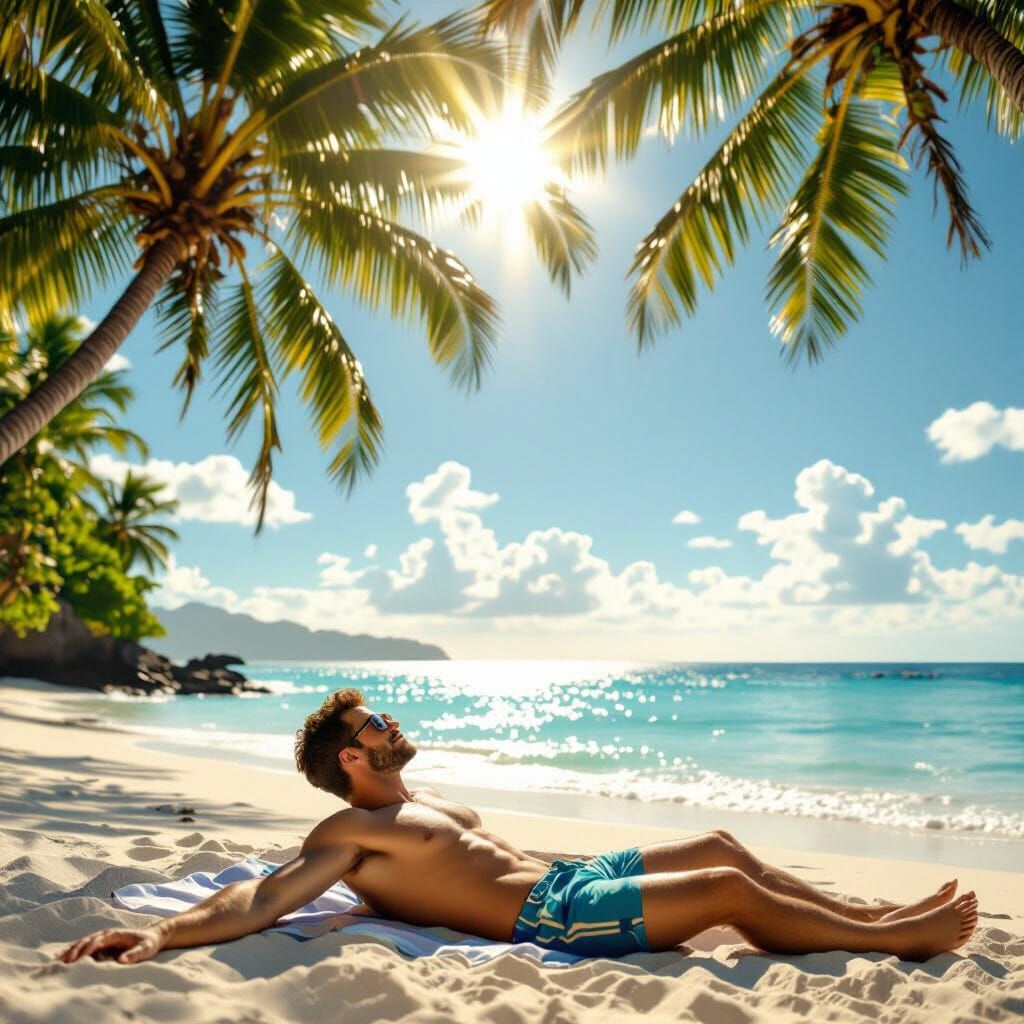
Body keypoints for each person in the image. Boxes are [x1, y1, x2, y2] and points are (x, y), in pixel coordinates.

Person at [58, 688, 977, 966]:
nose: (388, 727)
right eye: (372, 726)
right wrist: (167, 930)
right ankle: (891, 938)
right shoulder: (345, 836)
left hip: (566, 874)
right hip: (546, 916)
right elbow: (260, 899)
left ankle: (876, 911)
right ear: (349, 758)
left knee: (722, 846)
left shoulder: (429, 805)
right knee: (726, 893)